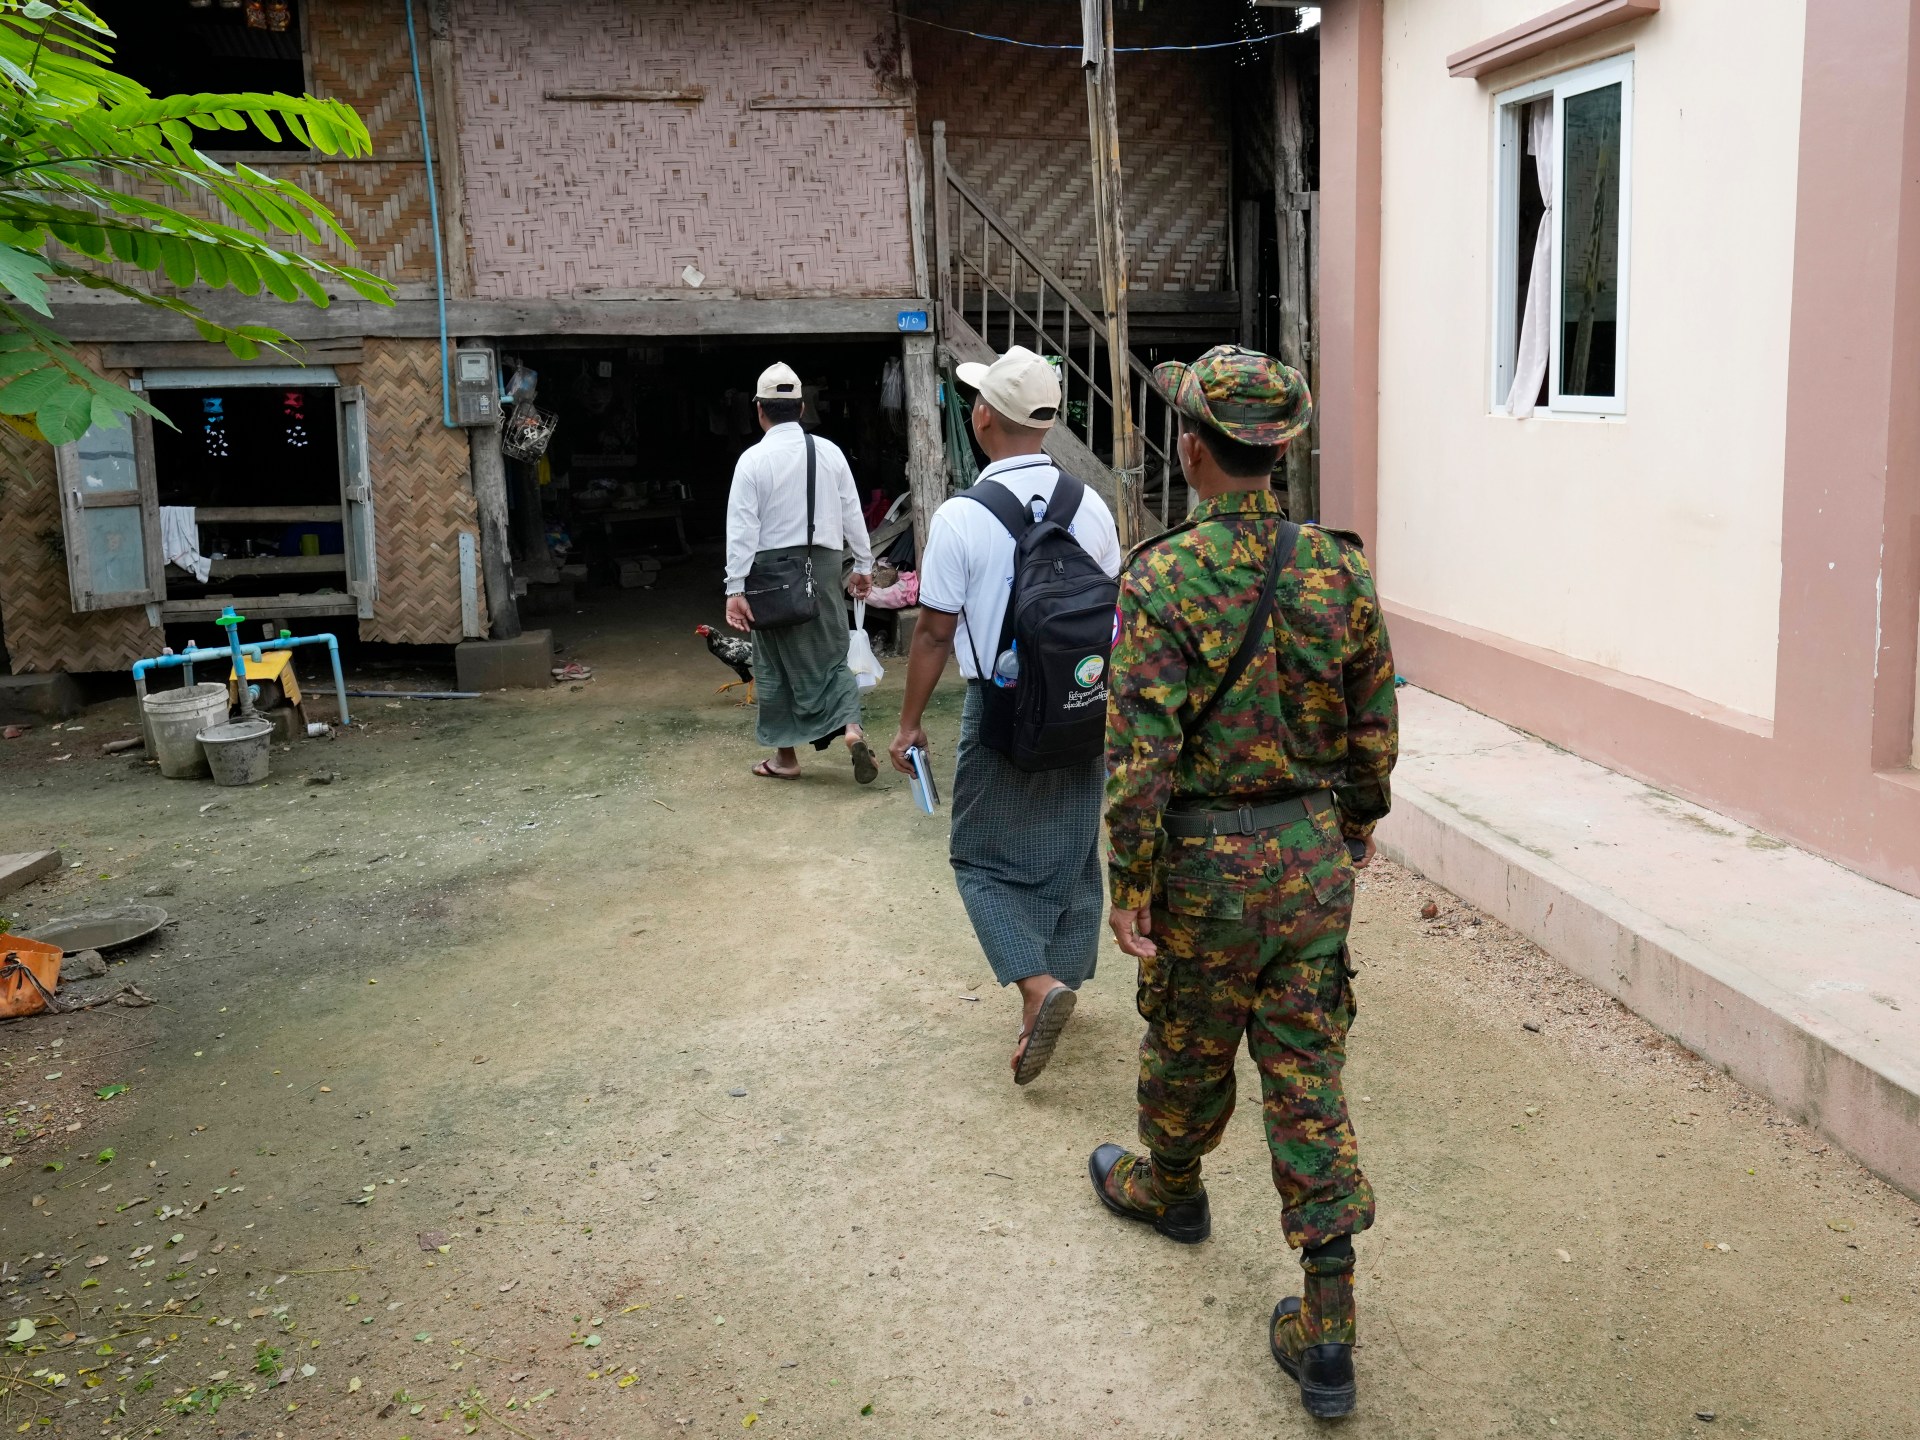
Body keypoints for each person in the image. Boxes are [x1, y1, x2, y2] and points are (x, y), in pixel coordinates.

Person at [1086, 345, 1398, 1419]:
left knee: (1184, 1033)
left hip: (1206, 866)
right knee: (1306, 1066)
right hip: (1311, 856)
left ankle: (1171, 1190)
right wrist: (1353, 825)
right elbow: (1375, 727)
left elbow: (1140, 755)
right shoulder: (1340, 569)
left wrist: (1129, 881)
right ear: (1281, 451)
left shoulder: (1161, 576)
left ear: (1192, 449)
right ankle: (1329, 1328)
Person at [888, 345, 1122, 1084]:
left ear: (985, 414)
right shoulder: (1092, 506)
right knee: (1075, 851)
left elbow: (932, 632)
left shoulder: (961, 517)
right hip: (1085, 705)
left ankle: (1036, 985)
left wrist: (909, 723)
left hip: (1002, 709)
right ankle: (1057, 984)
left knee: (979, 860)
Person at [724, 362, 878, 784]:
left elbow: (741, 529)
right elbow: (852, 512)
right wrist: (863, 565)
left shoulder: (752, 460)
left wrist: (735, 586)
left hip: (768, 572)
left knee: (773, 661)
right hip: (823, 565)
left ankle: (785, 759)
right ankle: (850, 728)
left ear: (759, 410)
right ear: (803, 407)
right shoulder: (828, 452)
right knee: (831, 653)